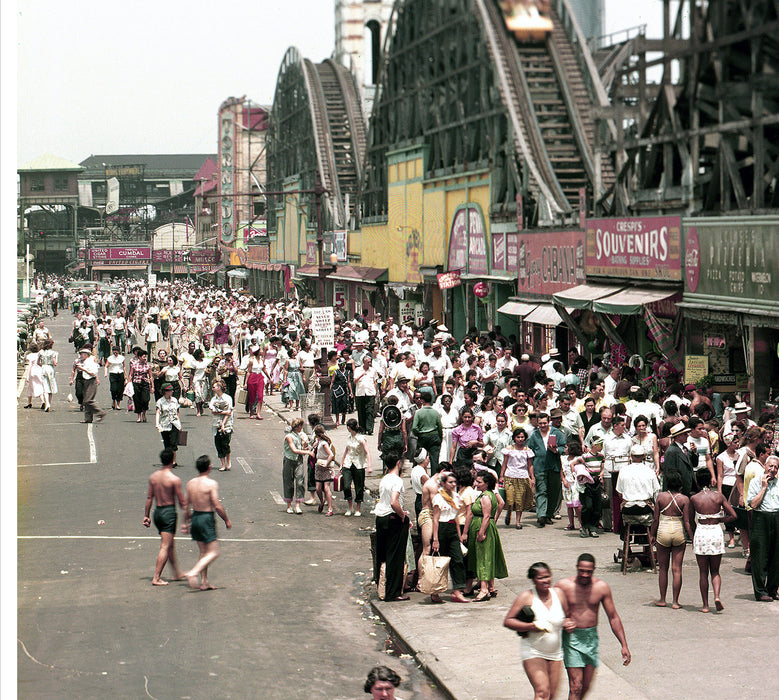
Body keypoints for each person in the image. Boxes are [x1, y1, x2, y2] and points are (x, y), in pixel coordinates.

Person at [555, 554, 631, 699]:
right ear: (577, 568)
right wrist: (562, 620)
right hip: (572, 639)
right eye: (581, 570)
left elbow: (613, 617)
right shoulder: (563, 586)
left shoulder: (601, 588)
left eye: (588, 571)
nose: (584, 574)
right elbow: (547, 609)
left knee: (585, 687)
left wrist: (624, 645)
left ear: (594, 570)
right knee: (576, 686)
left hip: (591, 639)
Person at [504, 562, 571, 700]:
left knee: (552, 696)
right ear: (534, 580)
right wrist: (531, 626)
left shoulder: (559, 594)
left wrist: (569, 623)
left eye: (547, 576)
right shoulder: (526, 597)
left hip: (555, 653)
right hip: (533, 650)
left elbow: (569, 616)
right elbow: (509, 620)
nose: (545, 580)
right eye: (541, 578)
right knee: (542, 692)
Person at [182, 455, 232, 590]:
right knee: (213, 552)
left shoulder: (191, 483)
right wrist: (226, 519)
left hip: (195, 517)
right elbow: (217, 505)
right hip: (206, 517)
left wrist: (185, 522)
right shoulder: (211, 484)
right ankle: (193, 573)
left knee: (203, 552)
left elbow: (185, 505)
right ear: (209, 468)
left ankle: (204, 581)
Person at [689, 469, 736, 612]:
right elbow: (733, 515)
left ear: (697, 481)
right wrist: (721, 519)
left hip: (701, 531)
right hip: (715, 531)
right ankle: (716, 596)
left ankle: (705, 605)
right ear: (710, 481)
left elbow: (690, 520)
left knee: (703, 572)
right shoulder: (718, 496)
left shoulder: (694, 498)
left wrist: (692, 536)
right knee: (715, 571)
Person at [142, 448, 186, 586]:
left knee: (169, 544)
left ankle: (176, 573)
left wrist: (146, 516)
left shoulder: (153, 477)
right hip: (168, 513)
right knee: (165, 546)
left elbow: (149, 497)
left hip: (158, 512)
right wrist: (188, 518)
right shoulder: (174, 479)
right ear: (172, 460)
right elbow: (181, 501)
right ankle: (156, 577)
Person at [650, 471, 693, 609]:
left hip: (663, 531)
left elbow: (656, 519)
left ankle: (662, 599)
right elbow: (687, 522)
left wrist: (652, 534)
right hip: (679, 533)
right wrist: (692, 537)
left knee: (663, 569)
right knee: (677, 569)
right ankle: (675, 602)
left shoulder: (661, 497)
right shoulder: (684, 499)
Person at [463, 470, 508, 601]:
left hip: (483, 528)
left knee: (483, 558)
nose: (476, 483)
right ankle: (490, 587)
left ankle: (483, 590)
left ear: (486, 483)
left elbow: (487, 516)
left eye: (479, 482)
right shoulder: (487, 494)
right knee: (487, 556)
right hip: (483, 527)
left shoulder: (486, 497)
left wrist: (481, 532)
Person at [374, 455, 411, 602]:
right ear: (397, 463)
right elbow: (394, 502)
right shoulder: (397, 480)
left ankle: (382, 587)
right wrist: (402, 515)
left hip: (381, 518)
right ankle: (393, 592)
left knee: (383, 554)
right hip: (393, 519)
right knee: (395, 557)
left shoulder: (385, 478)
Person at [431, 471, 470, 603]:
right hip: (441, 529)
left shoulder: (456, 496)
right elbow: (435, 519)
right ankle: (435, 591)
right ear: (443, 483)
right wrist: (435, 539)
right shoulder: (438, 498)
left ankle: (457, 591)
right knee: (440, 562)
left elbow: (456, 517)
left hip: (453, 528)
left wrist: (460, 536)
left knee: (458, 560)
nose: (453, 484)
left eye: (454, 482)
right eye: (450, 482)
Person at [746, 455, 779, 602]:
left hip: (776, 517)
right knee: (759, 555)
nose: (772, 470)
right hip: (761, 518)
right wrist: (764, 487)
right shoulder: (755, 482)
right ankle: (760, 591)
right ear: (765, 466)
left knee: (776, 555)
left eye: (775, 467)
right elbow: (753, 504)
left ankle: (772, 589)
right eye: (770, 466)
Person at [527, 413, 566, 527]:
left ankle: (549, 514)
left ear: (549, 421)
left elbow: (564, 447)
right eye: (540, 423)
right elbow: (530, 452)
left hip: (554, 466)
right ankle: (541, 516)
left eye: (544, 423)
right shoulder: (534, 435)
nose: (542, 425)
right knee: (541, 491)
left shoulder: (556, 433)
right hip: (539, 467)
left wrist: (556, 450)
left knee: (554, 492)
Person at [500, 427, 535, 528]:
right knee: (510, 498)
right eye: (518, 437)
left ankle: (518, 522)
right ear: (514, 438)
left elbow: (530, 465)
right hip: (510, 475)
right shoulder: (509, 449)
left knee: (520, 500)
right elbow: (505, 463)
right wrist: (501, 475)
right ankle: (509, 511)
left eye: (522, 437)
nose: (520, 439)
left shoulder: (527, 450)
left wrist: (532, 477)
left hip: (522, 476)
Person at [340, 418, 373, 516]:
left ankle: (358, 508)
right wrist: (341, 464)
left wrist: (369, 466)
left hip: (359, 464)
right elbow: (346, 451)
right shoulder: (349, 438)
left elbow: (367, 452)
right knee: (346, 486)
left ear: (349, 427)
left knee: (359, 487)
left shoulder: (361, 438)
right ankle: (350, 507)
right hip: (348, 463)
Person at [283, 418, 315, 514]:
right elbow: (293, 449)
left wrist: (305, 447)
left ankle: (297, 505)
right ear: (297, 426)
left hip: (299, 460)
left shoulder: (299, 436)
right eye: (301, 426)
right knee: (288, 482)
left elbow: (299, 448)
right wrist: (307, 452)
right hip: (289, 460)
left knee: (300, 481)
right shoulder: (289, 437)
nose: (301, 428)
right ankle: (289, 505)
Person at [412, 387, 444, 473]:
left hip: (422, 437)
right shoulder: (436, 413)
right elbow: (440, 427)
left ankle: (420, 477)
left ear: (422, 400)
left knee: (420, 459)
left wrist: (418, 434)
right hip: (434, 437)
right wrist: (440, 438)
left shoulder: (418, 413)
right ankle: (434, 478)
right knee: (434, 460)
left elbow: (414, 428)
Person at [76, 345, 106, 424]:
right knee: (86, 400)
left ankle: (100, 412)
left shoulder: (90, 362)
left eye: (82, 354)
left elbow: (93, 373)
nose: (81, 356)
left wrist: (82, 369)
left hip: (91, 381)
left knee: (88, 400)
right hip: (86, 381)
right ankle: (88, 418)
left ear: (86, 355)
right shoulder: (86, 362)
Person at [209, 379, 234, 472]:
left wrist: (223, 422)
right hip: (216, 424)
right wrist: (223, 412)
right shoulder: (213, 399)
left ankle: (228, 461)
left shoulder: (227, 398)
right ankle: (223, 464)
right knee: (218, 445)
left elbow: (229, 412)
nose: (213, 389)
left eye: (214, 387)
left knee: (225, 444)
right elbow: (213, 411)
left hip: (227, 424)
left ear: (219, 388)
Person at [313, 424, 336, 516]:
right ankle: (322, 501)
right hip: (319, 466)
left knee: (326, 488)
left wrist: (326, 464)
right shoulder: (318, 442)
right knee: (318, 488)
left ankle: (330, 508)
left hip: (325, 467)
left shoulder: (324, 443)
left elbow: (331, 454)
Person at [155, 383, 182, 454]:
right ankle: (169, 460)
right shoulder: (160, 402)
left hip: (174, 423)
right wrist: (157, 424)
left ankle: (173, 461)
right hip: (165, 424)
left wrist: (179, 424)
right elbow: (158, 412)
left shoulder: (174, 400)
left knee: (173, 443)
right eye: (170, 390)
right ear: (165, 391)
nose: (172, 392)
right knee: (167, 444)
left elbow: (177, 412)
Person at [128, 347, 152, 423]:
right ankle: (139, 416)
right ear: (139, 357)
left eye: (145, 357)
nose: (144, 358)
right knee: (137, 399)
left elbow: (150, 377)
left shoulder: (148, 365)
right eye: (143, 357)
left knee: (145, 399)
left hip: (145, 383)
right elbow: (131, 375)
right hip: (136, 383)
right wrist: (128, 383)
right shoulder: (134, 365)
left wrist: (152, 386)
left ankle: (144, 414)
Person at [38, 339, 58, 411]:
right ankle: (49, 403)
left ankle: (47, 404)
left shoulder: (40, 352)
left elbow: (38, 362)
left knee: (45, 386)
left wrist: (43, 365)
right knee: (51, 386)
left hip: (43, 367)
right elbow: (55, 363)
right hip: (50, 368)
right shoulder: (54, 353)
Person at [104, 346, 126, 410]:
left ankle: (118, 404)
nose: (115, 352)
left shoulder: (122, 358)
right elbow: (106, 366)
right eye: (114, 350)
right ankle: (114, 401)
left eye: (116, 350)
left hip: (120, 373)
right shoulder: (110, 358)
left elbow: (124, 366)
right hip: (113, 374)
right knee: (113, 389)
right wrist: (106, 373)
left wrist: (126, 375)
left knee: (120, 389)